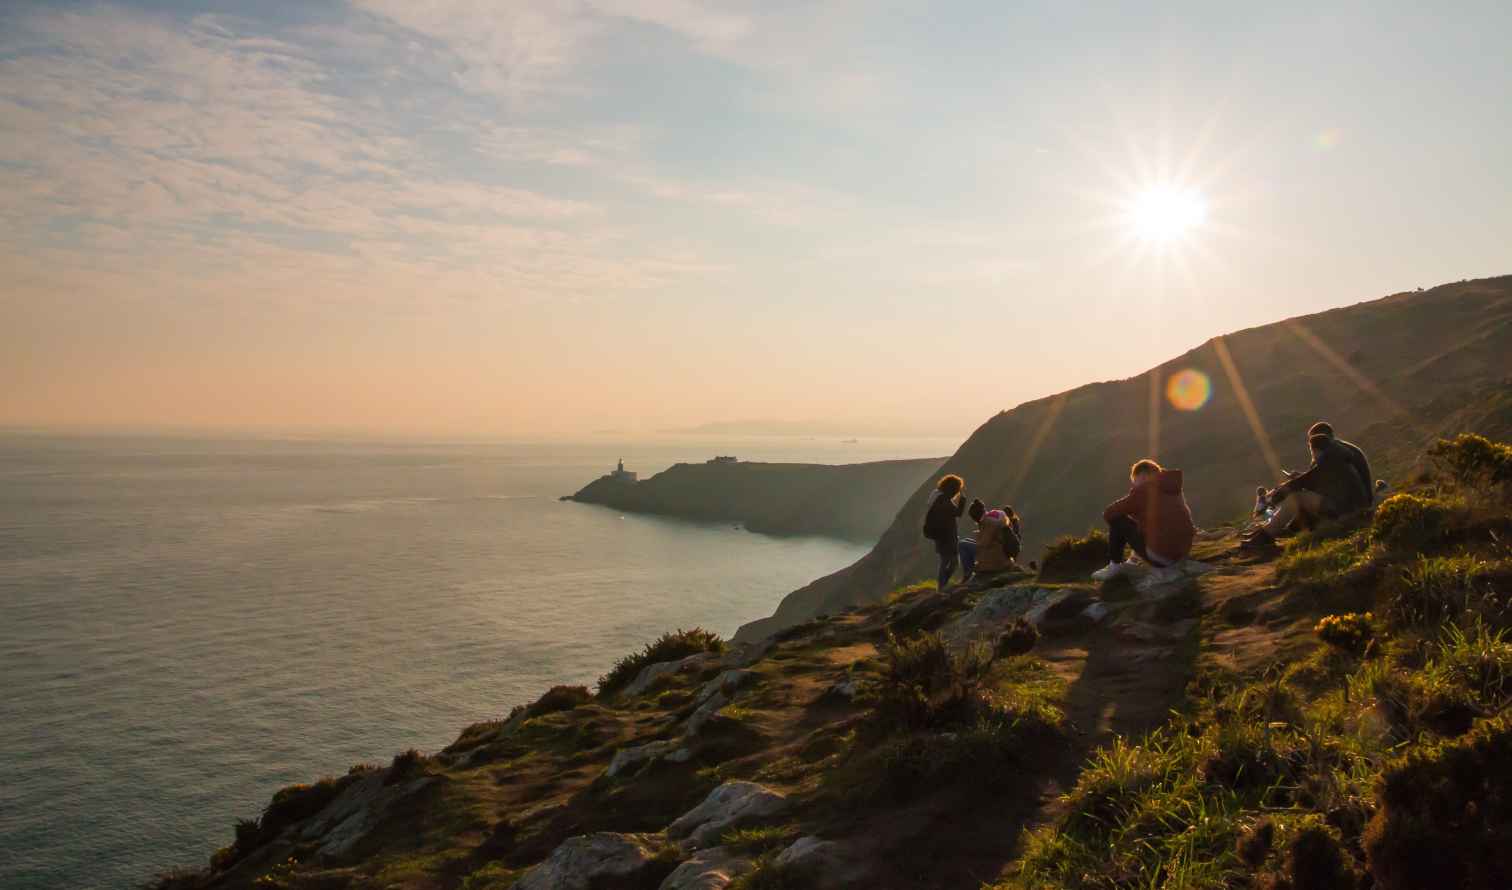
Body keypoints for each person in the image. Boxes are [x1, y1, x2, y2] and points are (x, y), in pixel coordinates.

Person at [1244, 423, 1374, 549]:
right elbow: (1319, 478)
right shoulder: (1339, 451)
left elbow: (1311, 479)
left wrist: (1281, 491)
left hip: (1350, 509)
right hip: (1354, 504)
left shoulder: (1333, 456)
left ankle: (1266, 535)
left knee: (1298, 498)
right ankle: (1274, 531)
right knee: (1304, 495)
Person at [1092, 459, 1196, 583]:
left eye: (1135, 481)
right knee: (1150, 524)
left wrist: (1133, 509)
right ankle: (1133, 560)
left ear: (1143, 475)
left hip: (1163, 557)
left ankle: (1115, 565)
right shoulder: (1172, 488)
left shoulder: (1143, 490)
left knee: (1117, 519)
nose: (1134, 486)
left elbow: (1108, 513)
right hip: (1182, 553)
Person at [922, 474, 967, 589]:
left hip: (941, 536)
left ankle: (942, 585)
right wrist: (962, 501)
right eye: (957, 489)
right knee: (952, 562)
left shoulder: (937, 496)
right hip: (946, 537)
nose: (957, 492)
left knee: (946, 561)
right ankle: (942, 586)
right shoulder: (943, 500)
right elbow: (957, 513)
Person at [957, 499, 987, 580]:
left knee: (961, 545)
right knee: (966, 540)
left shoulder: (986, 522)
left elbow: (986, 543)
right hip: (989, 548)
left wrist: (979, 537)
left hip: (989, 551)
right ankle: (969, 572)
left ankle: (968, 574)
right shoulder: (987, 518)